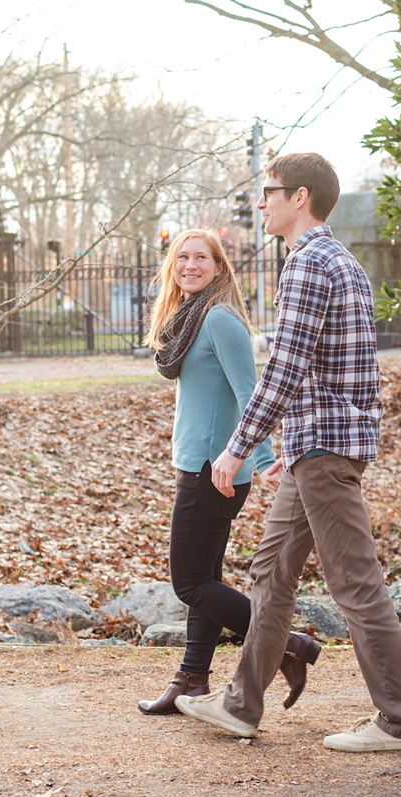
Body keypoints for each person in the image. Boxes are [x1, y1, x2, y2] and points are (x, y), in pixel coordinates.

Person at [175, 154, 401, 752]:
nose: (260, 203)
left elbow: (286, 369)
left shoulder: (311, 263)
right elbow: (326, 370)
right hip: (316, 446)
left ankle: (399, 722)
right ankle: (240, 705)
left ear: (300, 197)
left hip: (325, 449)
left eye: (269, 193)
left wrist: (238, 449)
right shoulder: (335, 261)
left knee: (356, 585)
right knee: (270, 572)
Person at [138, 228, 322, 716]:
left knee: (189, 584)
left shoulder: (220, 320)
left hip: (215, 471)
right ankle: (191, 680)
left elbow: (251, 393)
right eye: (183, 257)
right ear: (172, 266)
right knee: (207, 578)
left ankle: (290, 643)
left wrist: (260, 459)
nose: (191, 265)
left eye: (202, 258)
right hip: (196, 464)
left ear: (219, 268)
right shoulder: (188, 318)